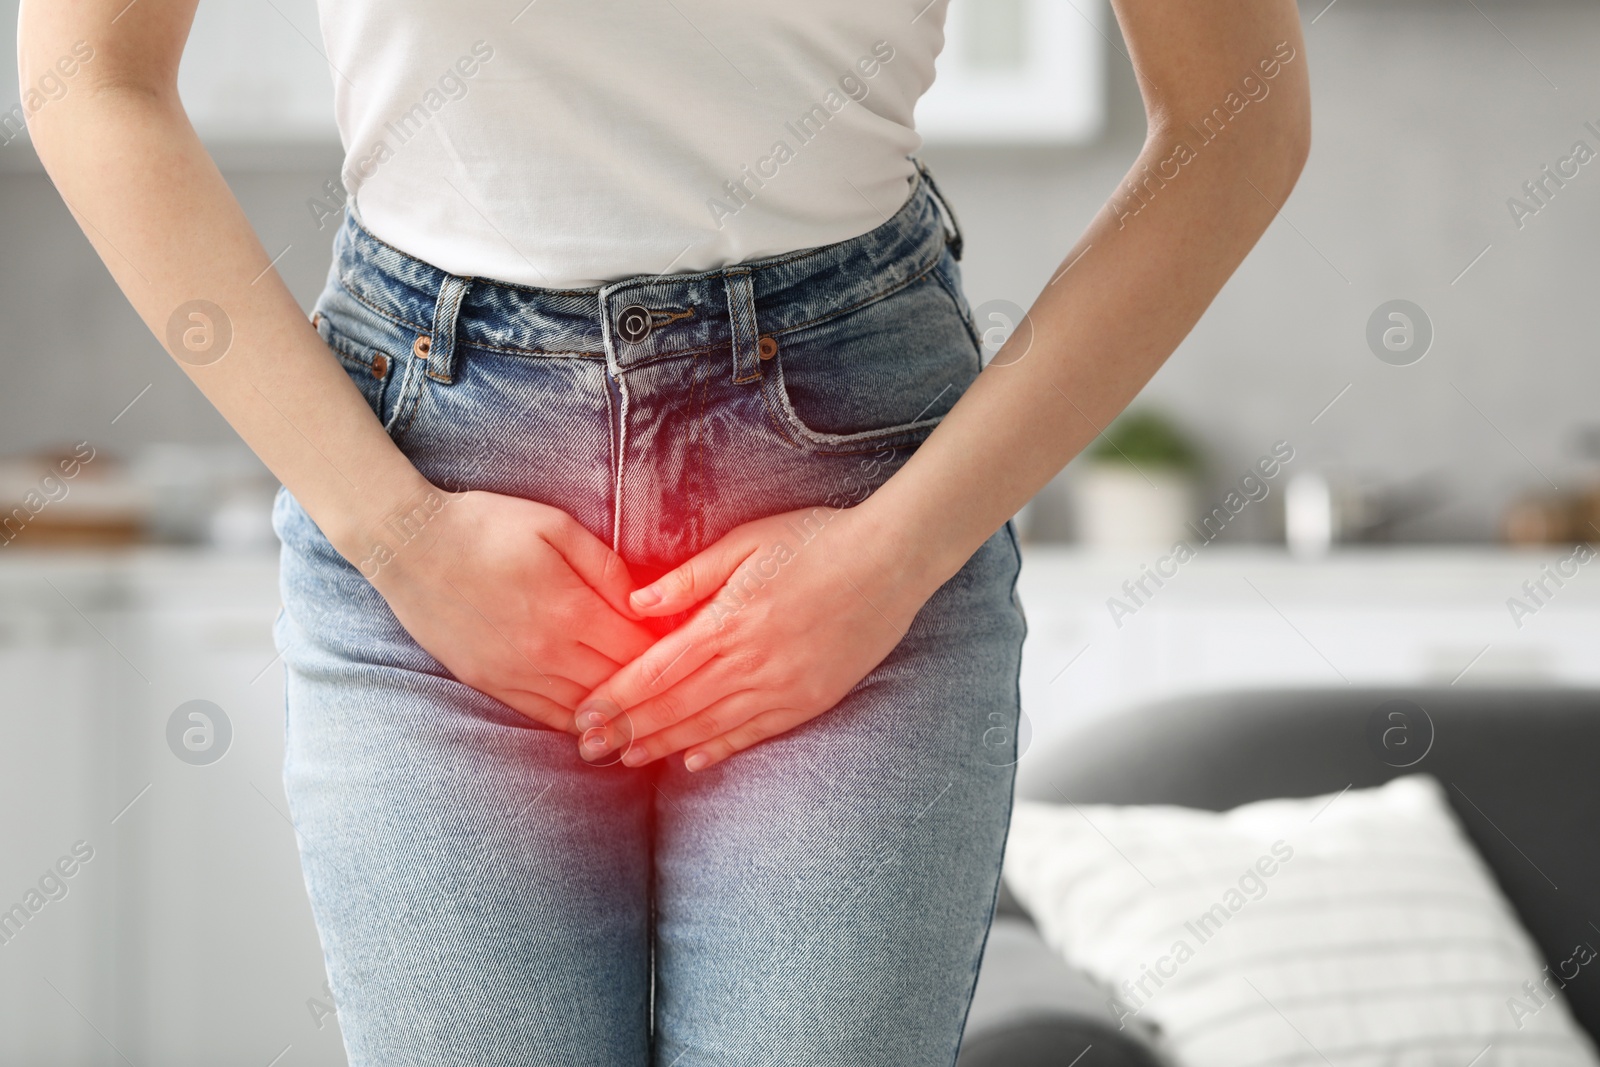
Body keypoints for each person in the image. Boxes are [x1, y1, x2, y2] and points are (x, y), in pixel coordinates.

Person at [20, 0, 1310, 1062]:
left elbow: (1238, 116)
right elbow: (89, 75)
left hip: (854, 496)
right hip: (428, 478)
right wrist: (399, 537)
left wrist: (899, 553)